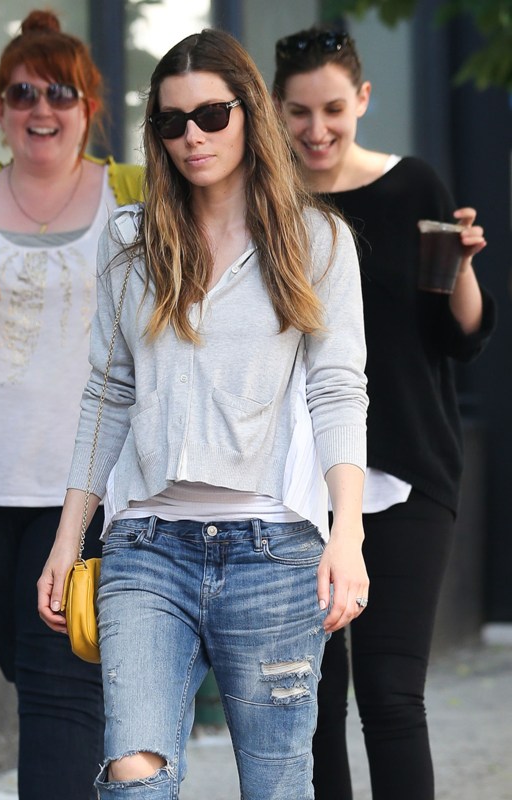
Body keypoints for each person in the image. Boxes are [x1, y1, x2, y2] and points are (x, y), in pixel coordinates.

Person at [38, 27, 369, 800]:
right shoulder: (129, 242)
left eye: (212, 115)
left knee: (276, 786)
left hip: (274, 551)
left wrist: (348, 533)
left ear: (250, 113)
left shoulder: (316, 240)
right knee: (134, 772)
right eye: (172, 121)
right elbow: (107, 393)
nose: (193, 136)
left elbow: (337, 391)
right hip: (146, 549)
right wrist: (67, 538)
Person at [272, 25, 496, 800]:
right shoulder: (267, 203)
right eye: (299, 112)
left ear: (363, 99)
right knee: (312, 706)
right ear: (276, 109)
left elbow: (459, 339)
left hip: (408, 468)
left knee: (392, 698)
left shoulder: (413, 187)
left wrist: (462, 268)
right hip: (298, 480)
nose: (317, 130)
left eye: (333, 109)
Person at [0, 10, 143, 800]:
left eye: (60, 92)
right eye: (22, 93)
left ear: (90, 107)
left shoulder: (133, 195)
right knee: (35, 668)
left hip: (87, 483)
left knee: (58, 680)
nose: (41, 109)